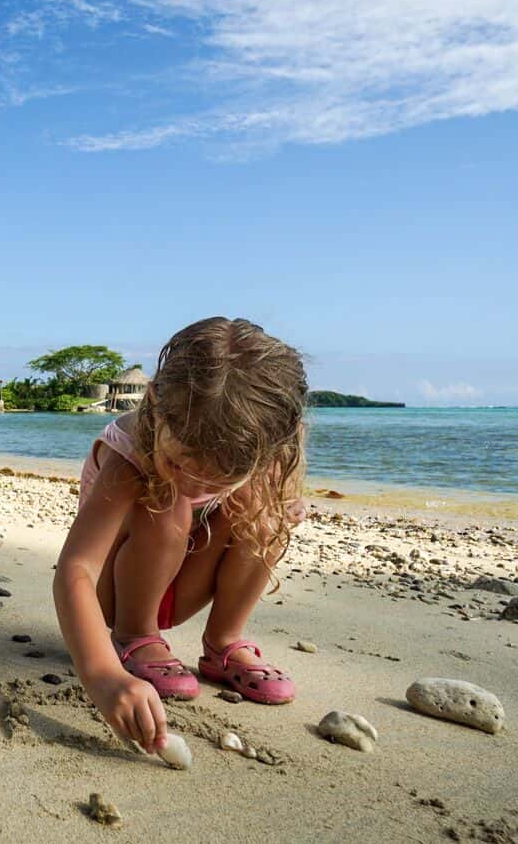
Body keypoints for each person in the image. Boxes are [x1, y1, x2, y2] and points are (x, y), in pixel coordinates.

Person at [53, 317, 309, 754]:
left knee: (269, 509)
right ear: (155, 403)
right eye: (182, 461)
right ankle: (136, 636)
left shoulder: (261, 447)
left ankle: (223, 643)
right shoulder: (130, 448)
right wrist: (103, 676)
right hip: (115, 592)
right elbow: (76, 568)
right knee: (167, 499)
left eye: (216, 476)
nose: (195, 482)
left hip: (185, 580)